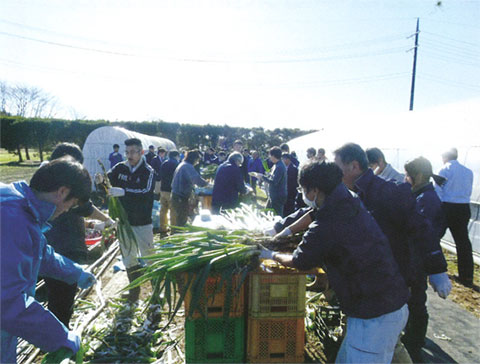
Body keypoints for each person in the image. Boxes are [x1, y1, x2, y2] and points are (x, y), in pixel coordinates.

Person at [259, 162, 410, 363]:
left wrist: (270, 254)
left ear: (314, 190)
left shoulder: (326, 225)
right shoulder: (347, 198)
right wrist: (286, 232)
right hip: (390, 301)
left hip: (373, 315)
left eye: (304, 190)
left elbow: (300, 260)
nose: (304, 194)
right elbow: (313, 214)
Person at [333, 143, 451, 363]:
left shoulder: (387, 191)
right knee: (390, 338)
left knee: (395, 325)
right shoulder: (351, 194)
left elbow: (421, 227)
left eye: (337, 167)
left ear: (354, 166)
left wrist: (437, 269)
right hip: (375, 280)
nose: (335, 174)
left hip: (397, 274)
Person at [0, 158, 96, 363]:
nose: (67, 210)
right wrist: (60, 337)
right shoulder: (12, 219)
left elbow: (41, 254)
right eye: (72, 204)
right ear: (62, 192)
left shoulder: (21, 206)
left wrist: (76, 272)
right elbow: (8, 302)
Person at [44, 143, 114, 328]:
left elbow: (74, 212)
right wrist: (107, 220)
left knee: (58, 297)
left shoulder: (48, 180)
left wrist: (91, 223)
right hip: (64, 249)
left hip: (55, 248)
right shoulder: (61, 185)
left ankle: (56, 333)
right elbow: (84, 207)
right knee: (62, 300)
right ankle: (58, 339)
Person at [98, 138, 155, 302]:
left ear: (141, 152)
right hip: (124, 222)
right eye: (127, 152)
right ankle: (134, 293)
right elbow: (107, 184)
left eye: (133, 152)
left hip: (142, 222)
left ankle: (156, 293)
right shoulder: (120, 168)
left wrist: (123, 192)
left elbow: (145, 191)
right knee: (129, 258)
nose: (129, 155)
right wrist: (101, 182)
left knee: (149, 256)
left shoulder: (148, 171)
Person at [403, 156, 448, 361]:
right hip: (415, 256)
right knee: (414, 297)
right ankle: (414, 337)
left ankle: (415, 341)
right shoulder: (422, 195)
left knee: (416, 298)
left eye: (407, 175)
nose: (405, 179)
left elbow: (425, 233)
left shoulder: (426, 200)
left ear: (418, 176)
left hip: (418, 258)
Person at [436, 147, 474, 287]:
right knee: (463, 242)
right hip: (463, 207)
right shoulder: (468, 172)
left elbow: (438, 191)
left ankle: (437, 268)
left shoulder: (444, 170)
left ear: (445, 157)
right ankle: (466, 276)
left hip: (447, 207)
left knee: (435, 237)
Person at [170, 150, 208, 227]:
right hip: (180, 197)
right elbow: (197, 180)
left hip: (176, 194)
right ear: (194, 159)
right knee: (181, 219)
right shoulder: (188, 166)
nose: (197, 162)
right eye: (197, 160)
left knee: (178, 218)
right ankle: (178, 235)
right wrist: (207, 183)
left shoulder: (183, 164)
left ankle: (175, 233)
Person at [252, 146, 287, 216]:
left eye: (270, 155)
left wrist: (262, 177)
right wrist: (264, 175)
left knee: (277, 215)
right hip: (274, 195)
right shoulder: (276, 165)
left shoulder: (279, 167)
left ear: (273, 156)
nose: (269, 157)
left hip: (278, 196)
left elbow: (274, 182)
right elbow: (272, 177)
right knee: (267, 212)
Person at [158, 150, 180, 234]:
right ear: (176, 156)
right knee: (173, 210)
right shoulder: (176, 164)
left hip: (163, 189)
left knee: (163, 210)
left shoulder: (164, 163)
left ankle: (162, 227)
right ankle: (173, 229)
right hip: (171, 190)